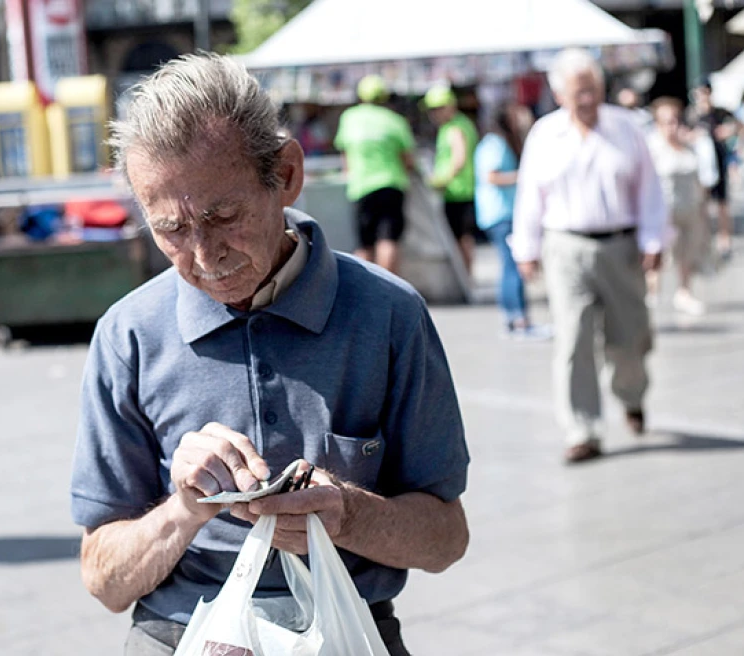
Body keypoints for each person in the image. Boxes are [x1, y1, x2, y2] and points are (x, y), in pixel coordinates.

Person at [69, 54, 470, 655]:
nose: (204, 256)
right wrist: (184, 510)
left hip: (347, 625)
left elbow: (445, 538)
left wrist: (345, 514)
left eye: (223, 216)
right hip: (178, 632)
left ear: (285, 175)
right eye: (171, 230)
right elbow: (104, 580)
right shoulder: (128, 335)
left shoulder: (388, 314)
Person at [512, 49, 667, 464]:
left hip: (620, 243)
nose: (586, 99)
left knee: (630, 337)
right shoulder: (545, 134)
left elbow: (649, 189)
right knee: (573, 337)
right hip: (565, 245)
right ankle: (583, 429)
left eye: (592, 90)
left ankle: (631, 396)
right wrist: (524, 249)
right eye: (578, 92)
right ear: (560, 94)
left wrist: (654, 241)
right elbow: (530, 194)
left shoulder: (626, 128)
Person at [473, 103, 549, 339]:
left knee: (509, 266)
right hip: (501, 214)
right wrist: (525, 176)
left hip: (500, 213)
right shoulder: (494, 145)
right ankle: (519, 319)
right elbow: (492, 176)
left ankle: (514, 318)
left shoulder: (496, 143)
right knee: (513, 267)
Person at [333, 75, 416, 274]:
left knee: (364, 243)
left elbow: (344, 154)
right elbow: (408, 160)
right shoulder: (395, 120)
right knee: (388, 239)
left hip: (360, 187)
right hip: (391, 185)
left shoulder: (349, 117)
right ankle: (388, 287)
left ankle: (365, 290)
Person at [646, 97, 718, 316]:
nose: (673, 126)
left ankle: (684, 292)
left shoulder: (691, 146)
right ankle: (652, 294)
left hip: (690, 209)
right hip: (662, 212)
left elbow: (703, 179)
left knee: (686, 253)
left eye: (676, 120)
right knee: (657, 254)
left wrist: (705, 210)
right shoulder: (652, 147)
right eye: (667, 121)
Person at [422, 85, 479, 275]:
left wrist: (440, 181)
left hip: (459, 191)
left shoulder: (456, 127)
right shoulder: (455, 125)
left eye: (437, 108)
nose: (434, 114)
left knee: (461, 238)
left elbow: (459, 159)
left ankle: (466, 276)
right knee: (461, 237)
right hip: (457, 191)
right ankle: (466, 276)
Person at [687, 81, 739, 258]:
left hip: (719, 161)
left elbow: (737, 126)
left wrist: (727, 131)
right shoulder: (692, 114)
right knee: (702, 206)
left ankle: (725, 241)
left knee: (722, 205)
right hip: (700, 166)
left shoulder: (720, 112)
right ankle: (704, 240)